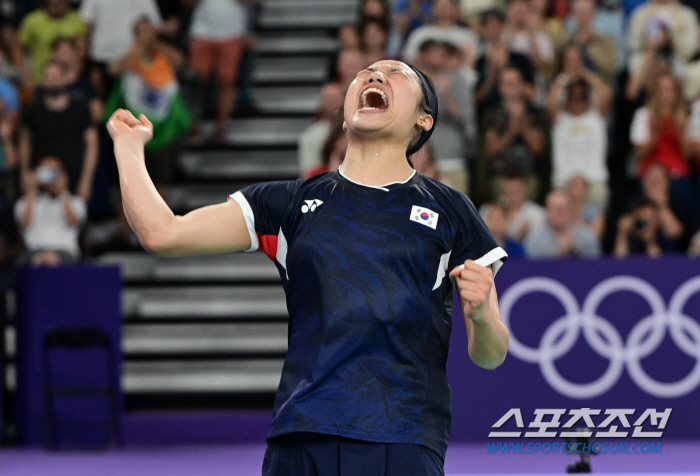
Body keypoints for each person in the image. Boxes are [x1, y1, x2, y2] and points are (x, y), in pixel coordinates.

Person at [107, 59, 509, 475]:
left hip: (402, 436)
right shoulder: (287, 203)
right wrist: (128, 147)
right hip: (301, 435)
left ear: (423, 121)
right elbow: (163, 233)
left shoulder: (449, 209)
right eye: (367, 72)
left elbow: (491, 355)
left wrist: (481, 315)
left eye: (396, 73)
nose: (374, 76)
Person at [107, 18, 190, 195]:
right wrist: (137, 49)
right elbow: (114, 70)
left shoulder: (163, 54)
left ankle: (162, 221)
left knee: (160, 179)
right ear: (135, 35)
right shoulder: (130, 56)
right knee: (128, 178)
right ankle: (123, 223)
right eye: (142, 31)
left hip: (161, 127)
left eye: (150, 31)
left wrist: (156, 45)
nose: (146, 35)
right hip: (133, 124)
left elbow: (180, 60)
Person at [20, 61, 97, 201]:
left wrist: (86, 180)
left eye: (57, 75)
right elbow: (25, 141)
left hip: (75, 179)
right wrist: (24, 172)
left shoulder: (80, 107)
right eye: (49, 76)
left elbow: (91, 143)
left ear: (65, 78)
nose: (53, 80)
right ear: (43, 80)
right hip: (41, 182)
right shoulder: (33, 109)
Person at [546, 58, 612, 208]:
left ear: (587, 98)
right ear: (566, 98)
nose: (577, 100)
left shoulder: (596, 117)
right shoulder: (559, 119)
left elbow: (606, 94)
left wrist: (584, 73)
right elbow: (549, 102)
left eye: (581, 96)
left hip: (594, 180)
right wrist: (566, 76)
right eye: (573, 96)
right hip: (563, 180)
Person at [417, 40, 476, 193]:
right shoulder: (412, 82)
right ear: (422, 56)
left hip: (452, 160)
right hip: (418, 160)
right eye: (433, 52)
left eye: (442, 54)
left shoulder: (458, 81)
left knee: (455, 212)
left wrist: (447, 97)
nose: (438, 57)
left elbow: (467, 121)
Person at [188, 0, 252, 142]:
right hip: (202, 32)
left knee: (227, 82)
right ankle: (193, 127)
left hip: (232, 32)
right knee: (196, 83)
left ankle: (221, 128)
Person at [629, 73, 692, 204]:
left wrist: (682, 130)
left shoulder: (684, 117)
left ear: (676, 93)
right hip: (650, 172)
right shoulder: (644, 115)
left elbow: (687, 156)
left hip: (677, 174)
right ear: (655, 93)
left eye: (669, 90)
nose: (666, 95)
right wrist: (654, 133)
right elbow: (640, 153)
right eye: (662, 90)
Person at [79, 0, 162, 97]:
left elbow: (154, 23)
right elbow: (86, 23)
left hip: (132, 57)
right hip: (100, 56)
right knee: (102, 100)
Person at [15, 156, 86, 266]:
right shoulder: (23, 202)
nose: (50, 176)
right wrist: (30, 190)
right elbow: (24, 224)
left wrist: (63, 191)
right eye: (45, 171)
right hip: (33, 251)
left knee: (54, 260)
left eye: (54, 171)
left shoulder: (76, 201)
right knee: (28, 262)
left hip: (66, 252)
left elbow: (73, 222)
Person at [18, 0, 88, 83]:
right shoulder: (32, 21)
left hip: (71, 81)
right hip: (41, 80)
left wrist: (74, 74)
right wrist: (25, 74)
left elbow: (82, 51)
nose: (61, 2)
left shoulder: (77, 20)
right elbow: (18, 49)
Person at [402, 0, 479, 69]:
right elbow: (409, 60)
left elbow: (471, 66)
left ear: (456, 8)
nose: (444, 10)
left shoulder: (467, 35)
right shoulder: (420, 33)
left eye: (448, 6)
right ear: (432, 8)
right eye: (440, 6)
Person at [525, 190, 601, 257]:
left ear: (571, 211)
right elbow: (533, 269)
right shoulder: (535, 239)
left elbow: (596, 266)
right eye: (556, 209)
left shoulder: (587, 236)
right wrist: (561, 253)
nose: (560, 213)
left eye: (564, 208)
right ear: (547, 211)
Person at [479, 173, 545, 242]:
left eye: (516, 191)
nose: (512, 197)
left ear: (526, 188)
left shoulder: (538, 214)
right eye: (509, 192)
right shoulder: (488, 210)